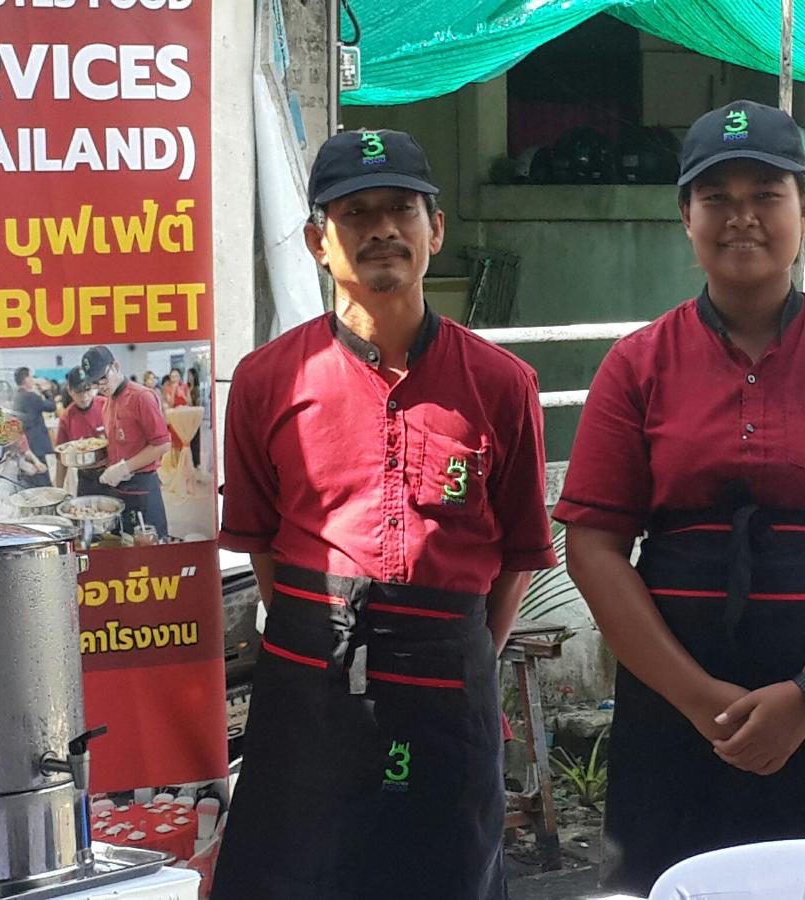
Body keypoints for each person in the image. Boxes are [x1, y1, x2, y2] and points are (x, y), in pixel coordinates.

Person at [553, 99, 805, 893]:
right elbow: (594, 549)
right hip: (673, 706)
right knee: (672, 882)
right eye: (717, 198)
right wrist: (698, 699)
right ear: (685, 216)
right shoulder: (638, 364)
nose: (742, 218)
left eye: (766, 195)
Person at [212, 128, 557, 900]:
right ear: (318, 243)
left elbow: (520, 553)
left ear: (436, 229)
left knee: (444, 873)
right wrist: (322, 628)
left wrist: (461, 653)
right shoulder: (267, 381)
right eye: (355, 213)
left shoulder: (503, 384)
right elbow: (261, 542)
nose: (381, 230)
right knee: (297, 875)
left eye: (401, 208)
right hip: (310, 679)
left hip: (448, 684)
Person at [81, 346, 170, 539]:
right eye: (94, 382)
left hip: (142, 487)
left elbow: (162, 444)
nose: (100, 386)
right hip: (118, 488)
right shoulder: (107, 403)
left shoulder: (141, 397)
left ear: (116, 366)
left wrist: (124, 467)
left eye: (103, 378)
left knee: (149, 546)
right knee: (123, 542)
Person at [56, 367, 111, 497]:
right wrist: (58, 490)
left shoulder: (106, 405)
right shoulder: (67, 417)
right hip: (86, 477)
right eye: (78, 392)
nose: (84, 397)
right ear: (70, 391)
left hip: (111, 473)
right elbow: (60, 458)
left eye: (87, 390)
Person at [12, 366, 57, 488]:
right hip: (37, 444)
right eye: (31, 377)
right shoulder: (31, 397)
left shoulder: (16, 397)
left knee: (32, 479)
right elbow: (51, 406)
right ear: (26, 379)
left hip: (25, 445)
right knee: (43, 479)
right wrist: (46, 391)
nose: (33, 380)